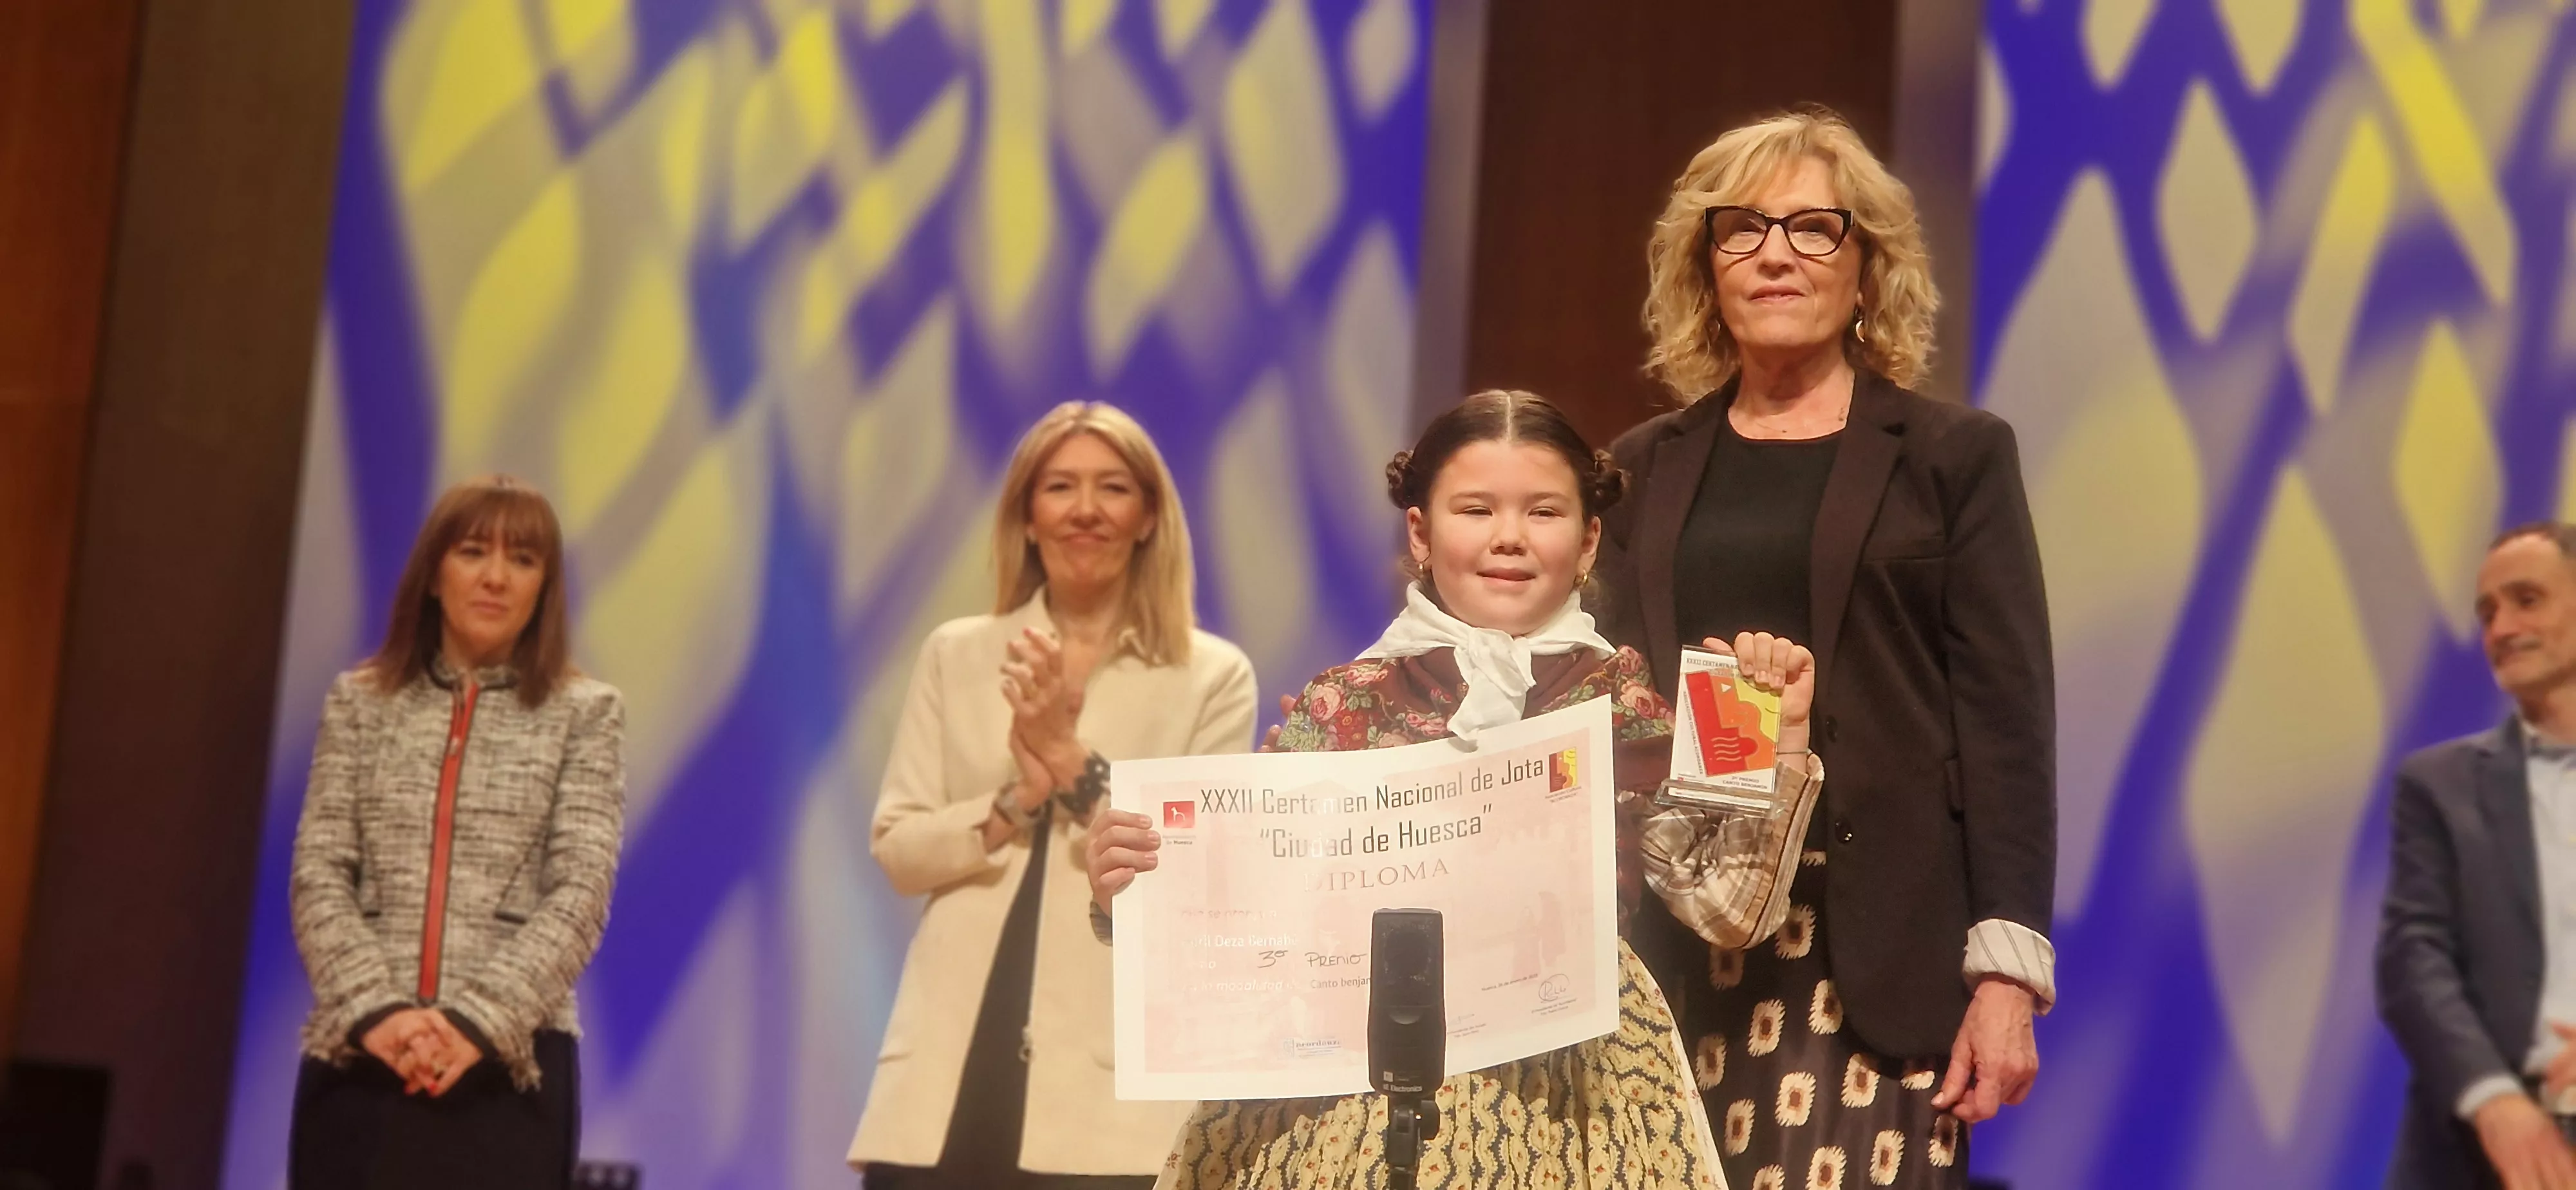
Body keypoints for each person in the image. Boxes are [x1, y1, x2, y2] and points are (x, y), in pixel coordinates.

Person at [1088, 389, 1824, 1189]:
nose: (1509, 537)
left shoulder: (1628, 700)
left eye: (1543, 513)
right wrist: (1127, 891)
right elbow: (1250, 931)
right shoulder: (1344, 700)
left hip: (1568, 1091)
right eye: (1475, 509)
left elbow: (1727, 909)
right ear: (1421, 532)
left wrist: (1776, 738)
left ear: (1588, 541)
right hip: (1347, 1092)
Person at [1591, 107, 2056, 1188]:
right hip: (1684, 939)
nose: (1776, 254)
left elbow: (2005, 724)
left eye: (1813, 229)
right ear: (1705, 266)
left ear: (1867, 266)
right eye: (1743, 228)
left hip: (1875, 950)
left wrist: (2007, 974)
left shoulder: (1954, 458)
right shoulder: (1639, 468)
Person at [850, 402, 1259, 1188]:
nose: (1084, 510)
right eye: (1060, 487)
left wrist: (1071, 765)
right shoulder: (957, 654)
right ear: (1027, 517)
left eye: (1111, 488)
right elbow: (899, 852)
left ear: (1147, 518)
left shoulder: (1212, 675)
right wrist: (1015, 799)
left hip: (1106, 1083)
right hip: (946, 1067)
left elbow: (1196, 874)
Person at [287, 476, 625, 1190]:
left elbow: (581, 892)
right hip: (361, 1057)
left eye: (524, 560)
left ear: (545, 586)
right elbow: (319, 872)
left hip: (509, 1069)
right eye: (473, 552)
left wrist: (474, 1023)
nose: (496, 577)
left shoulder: (585, 713)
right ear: (435, 575)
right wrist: (377, 1012)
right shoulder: (360, 704)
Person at [2380, 523, 2576, 1190]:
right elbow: (2413, 955)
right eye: (2487, 612)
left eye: (2526, 599)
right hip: (2475, 1157)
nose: (2499, 627)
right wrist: (2494, 1100)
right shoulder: (2438, 783)